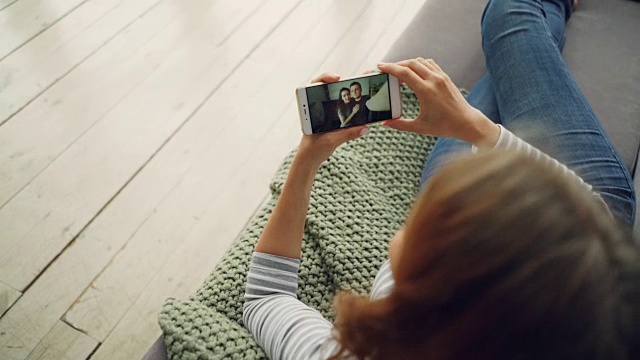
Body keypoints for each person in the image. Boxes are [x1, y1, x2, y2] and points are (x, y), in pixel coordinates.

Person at [243, 0, 639, 359]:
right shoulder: (590, 258)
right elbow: (592, 211)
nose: (417, 216)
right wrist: (477, 129)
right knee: (508, 15)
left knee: (506, 18)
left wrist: (307, 158)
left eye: (432, 221)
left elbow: (264, 297)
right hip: (591, 204)